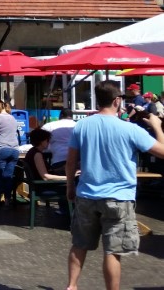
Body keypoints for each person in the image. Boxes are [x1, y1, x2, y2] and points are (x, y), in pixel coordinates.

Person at [65, 81, 164, 290]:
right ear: (117, 100)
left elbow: (71, 161)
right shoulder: (129, 129)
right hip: (119, 197)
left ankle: (71, 286)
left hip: (87, 194)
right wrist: (156, 126)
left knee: (79, 244)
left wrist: (70, 188)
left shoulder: (82, 125)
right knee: (113, 251)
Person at [43, 108, 77, 172]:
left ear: (61, 115)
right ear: (72, 116)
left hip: (58, 161)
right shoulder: (78, 126)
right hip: (76, 161)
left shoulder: (49, 126)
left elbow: (41, 143)